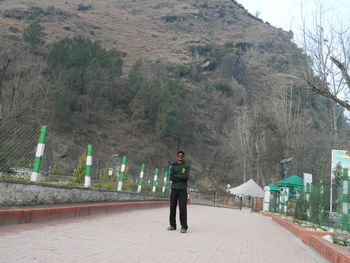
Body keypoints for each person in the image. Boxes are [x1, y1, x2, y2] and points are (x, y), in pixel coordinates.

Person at [167, 150, 190, 233]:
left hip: (183, 190)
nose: (180, 157)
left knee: (183, 208)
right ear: (177, 157)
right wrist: (180, 176)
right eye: (179, 156)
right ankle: (172, 225)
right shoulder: (173, 166)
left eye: (182, 156)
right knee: (172, 207)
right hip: (174, 189)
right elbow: (171, 177)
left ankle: (184, 227)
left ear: (183, 157)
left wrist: (176, 175)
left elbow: (186, 177)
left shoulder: (186, 166)